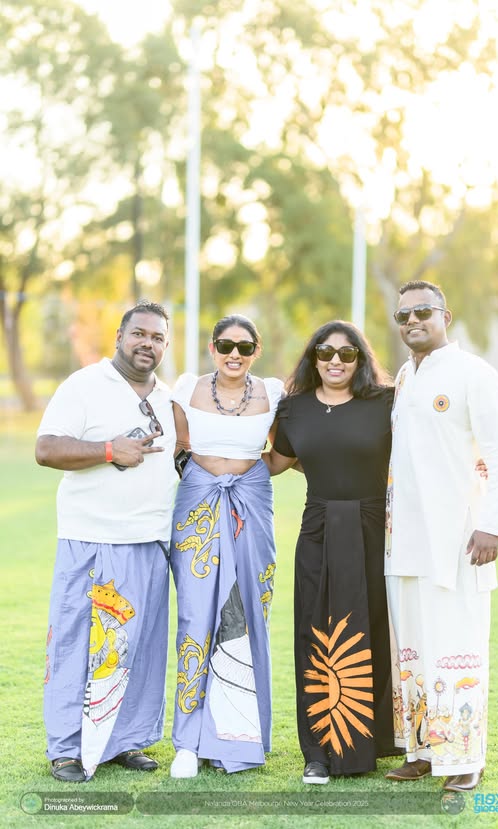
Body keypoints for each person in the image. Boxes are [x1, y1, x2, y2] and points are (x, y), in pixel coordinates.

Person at [384, 280, 498, 792]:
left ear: (446, 316)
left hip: (460, 538)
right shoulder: (404, 376)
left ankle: (465, 758)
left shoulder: (474, 374)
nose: (413, 321)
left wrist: (491, 525)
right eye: (403, 315)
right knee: (414, 648)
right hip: (405, 540)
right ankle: (423, 750)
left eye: (423, 311)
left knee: (457, 646)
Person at [36, 300, 177, 782]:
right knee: (77, 643)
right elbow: (46, 448)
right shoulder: (84, 385)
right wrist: (109, 450)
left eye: (157, 337)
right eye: (139, 334)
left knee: (138, 647)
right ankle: (66, 748)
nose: (147, 344)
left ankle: (125, 741)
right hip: (92, 538)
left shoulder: (167, 398)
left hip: (149, 540)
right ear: (119, 336)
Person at [263, 321, 399, 784]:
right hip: (319, 529)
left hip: (375, 529)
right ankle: (319, 751)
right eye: (325, 352)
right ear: (313, 358)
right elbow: (275, 463)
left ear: (361, 359)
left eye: (346, 353)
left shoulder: (386, 403)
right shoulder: (293, 409)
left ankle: (375, 740)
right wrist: (203, 454)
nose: (335, 361)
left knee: (374, 629)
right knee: (316, 633)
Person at [169, 314, 284, 778]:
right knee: (196, 614)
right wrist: (205, 478)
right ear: (212, 348)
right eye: (225, 345)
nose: (234, 354)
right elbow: (179, 445)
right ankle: (188, 742)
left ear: (257, 350)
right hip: (197, 505)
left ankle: (238, 735)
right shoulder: (185, 389)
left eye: (245, 346)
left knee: (247, 610)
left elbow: (285, 452)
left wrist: (245, 476)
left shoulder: (274, 394)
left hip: (252, 505)